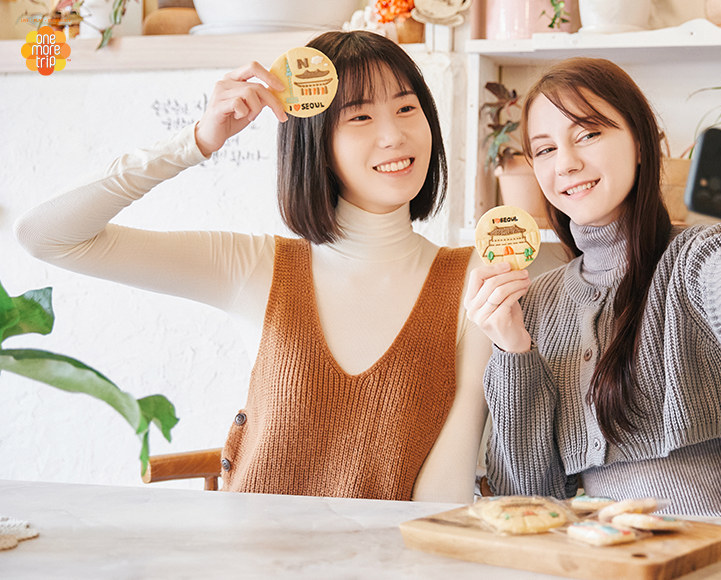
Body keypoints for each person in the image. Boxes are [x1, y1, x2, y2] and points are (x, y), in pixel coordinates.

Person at [15, 31, 490, 503]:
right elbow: (46, 237)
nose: (394, 135)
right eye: (360, 116)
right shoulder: (257, 266)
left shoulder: (474, 280)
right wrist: (196, 141)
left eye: (407, 108)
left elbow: (444, 494)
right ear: (314, 142)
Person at [464, 57, 721, 517]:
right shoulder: (535, 302)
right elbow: (527, 497)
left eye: (588, 134)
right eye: (544, 150)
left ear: (640, 143)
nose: (567, 163)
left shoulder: (694, 257)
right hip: (613, 553)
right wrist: (513, 350)